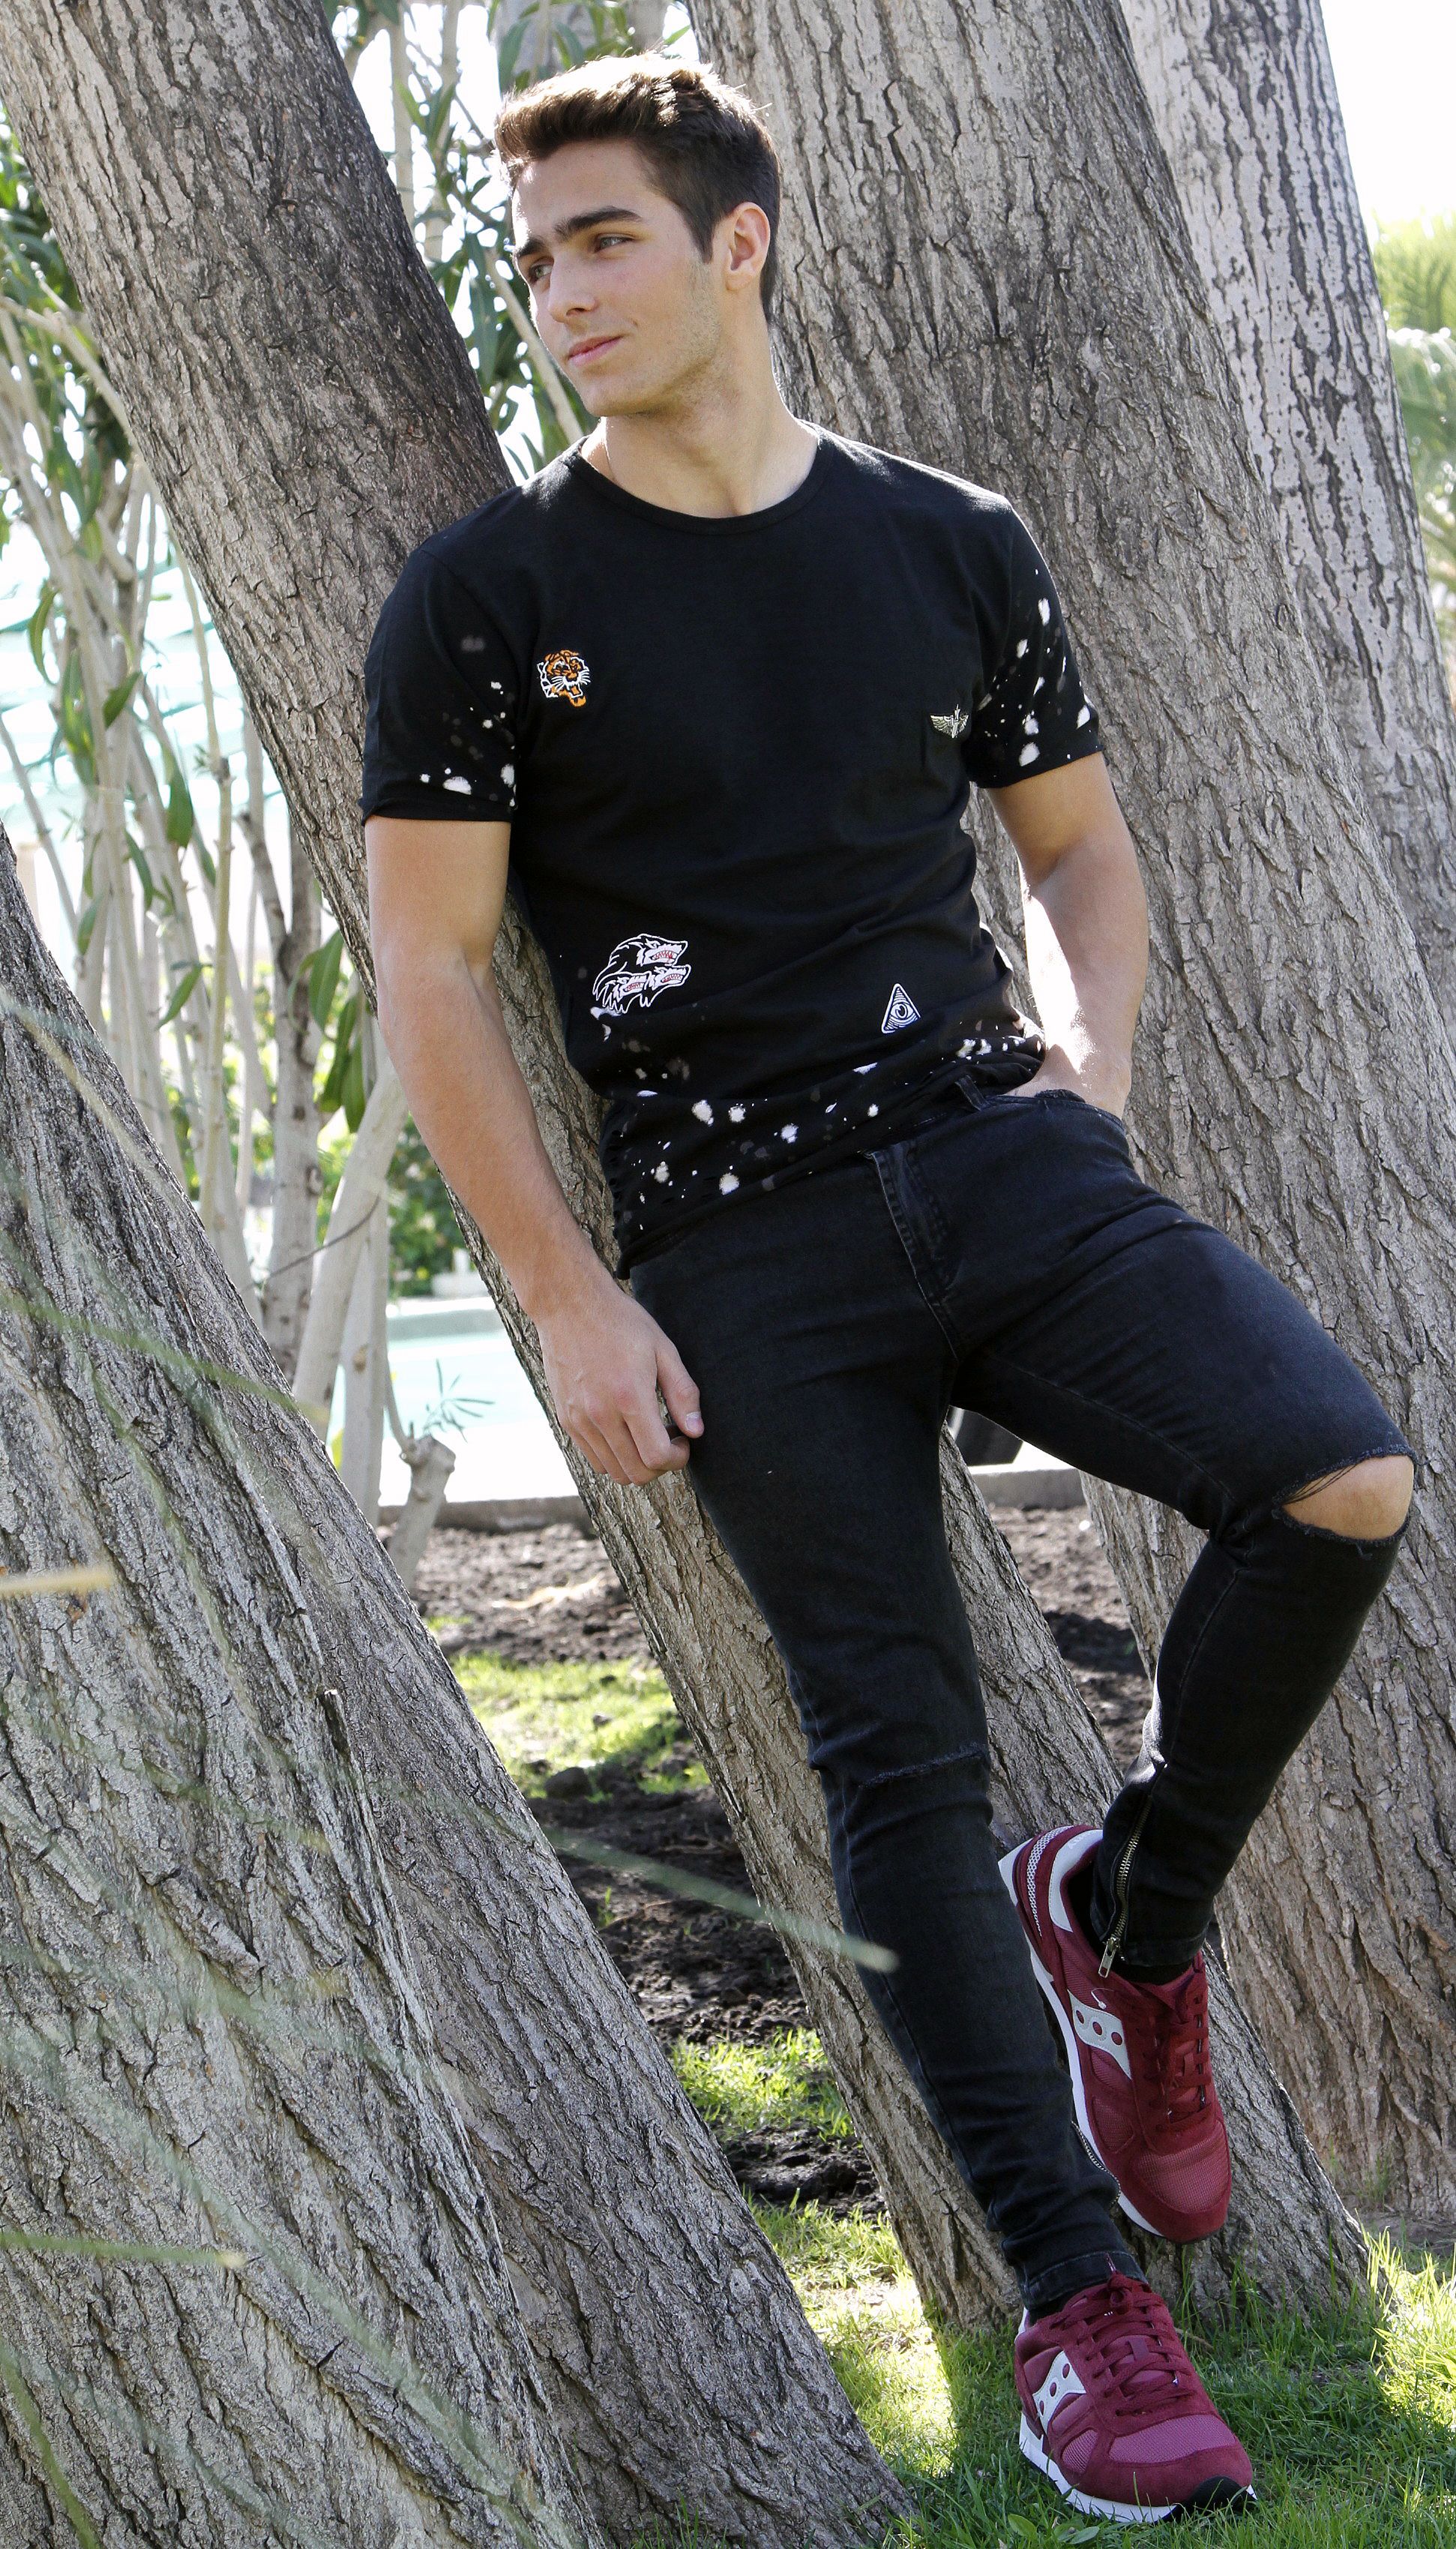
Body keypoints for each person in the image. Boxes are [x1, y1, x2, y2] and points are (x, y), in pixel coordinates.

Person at [361, 53, 1416, 2525]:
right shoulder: (489, 598)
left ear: (737, 243)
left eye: (602, 239)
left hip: (1001, 1156)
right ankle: (1080, 2315)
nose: (558, 294)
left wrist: (1092, 1062)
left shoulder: (952, 543)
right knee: (897, 1757)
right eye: (533, 256)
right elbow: (431, 973)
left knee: (1338, 1477)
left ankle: (1134, 1908)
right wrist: (566, 1303)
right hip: (739, 1246)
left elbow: (1084, 849)